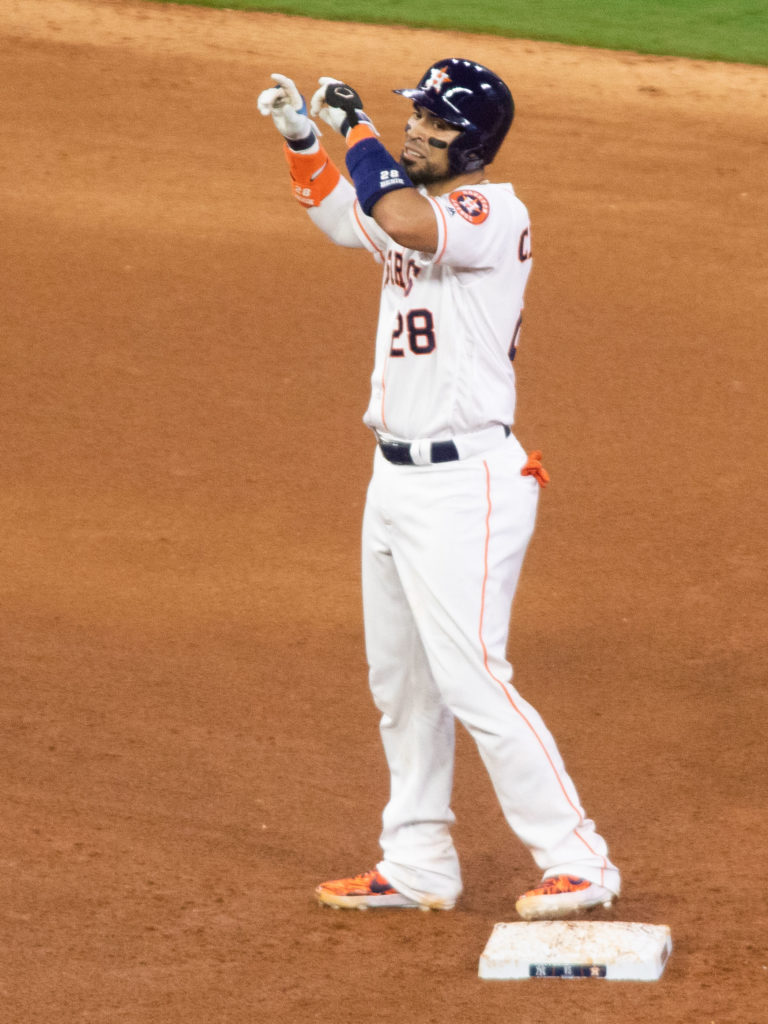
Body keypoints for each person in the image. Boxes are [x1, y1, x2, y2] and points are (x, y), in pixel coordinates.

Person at [258, 59, 620, 920]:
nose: (416, 129)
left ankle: (580, 857)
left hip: (467, 487)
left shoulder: (486, 212)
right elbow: (352, 222)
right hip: (394, 480)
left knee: (473, 681)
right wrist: (305, 138)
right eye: (412, 116)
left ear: (475, 140)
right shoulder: (421, 206)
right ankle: (417, 860)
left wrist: (358, 130)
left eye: (433, 121)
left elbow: (397, 216)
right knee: (404, 686)